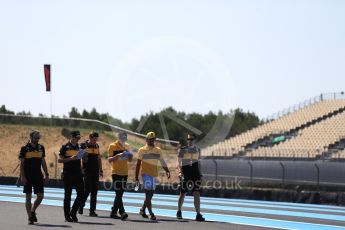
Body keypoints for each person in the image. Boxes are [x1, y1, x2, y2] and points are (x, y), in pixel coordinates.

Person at [135, 131, 170, 221]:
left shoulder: (158, 150)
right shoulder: (142, 150)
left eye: (153, 139)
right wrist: (136, 178)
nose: (152, 141)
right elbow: (138, 164)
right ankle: (151, 213)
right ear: (146, 140)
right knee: (148, 194)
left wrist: (167, 170)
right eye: (150, 139)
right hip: (145, 174)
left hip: (154, 174)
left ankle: (142, 210)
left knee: (150, 195)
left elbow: (162, 161)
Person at [19, 130, 49, 225]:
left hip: (38, 175)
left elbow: (43, 162)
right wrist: (22, 176)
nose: (37, 139)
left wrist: (47, 174)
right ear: (31, 137)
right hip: (28, 176)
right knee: (28, 196)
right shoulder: (24, 148)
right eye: (36, 138)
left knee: (40, 196)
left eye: (38, 138)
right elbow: (22, 164)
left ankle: (33, 210)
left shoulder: (41, 148)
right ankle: (30, 217)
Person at [176, 133, 205, 221]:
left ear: (194, 140)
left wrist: (200, 173)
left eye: (191, 139)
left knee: (196, 193)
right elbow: (179, 162)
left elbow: (198, 162)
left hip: (195, 173)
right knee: (183, 193)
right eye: (188, 139)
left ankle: (198, 214)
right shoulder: (183, 150)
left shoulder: (197, 150)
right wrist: (180, 172)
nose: (189, 141)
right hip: (186, 173)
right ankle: (179, 211)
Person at [58, 130, 84, 222]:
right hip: (68, 173)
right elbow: (60, 160)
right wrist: (70, 159)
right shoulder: (64, 147)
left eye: (79, 138)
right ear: (71, 137)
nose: (78, 139)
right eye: (76, 137)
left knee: (81, 194)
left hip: (78, 174)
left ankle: (73, 212)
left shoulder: (80, 147)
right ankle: (67, 216)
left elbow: (83, 159)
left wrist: (85, 155)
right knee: (67, 195)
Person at [108, 132, 133, 220]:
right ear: (118, 138)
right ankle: (122, 211)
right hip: (115, 172)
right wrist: (117, 155)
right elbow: (109, 160)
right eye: (121, 137)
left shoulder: (127, 146)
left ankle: (113, 212)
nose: (123, 139)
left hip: (124, 172)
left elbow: (130, 160)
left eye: (124, 138)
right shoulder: (112, 146)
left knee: (120, 193)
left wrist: (130, 156)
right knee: (118, 192)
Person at [78, 131, 103, 217]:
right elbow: (80, 157)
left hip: (95, 170)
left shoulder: (97, 146)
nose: (95, 141)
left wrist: (101, 170)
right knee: (87, 189)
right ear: (90, 138)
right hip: (87, 170)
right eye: (94, 139)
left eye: (96, 139)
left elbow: (99, 158)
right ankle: (81, 205)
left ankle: (92, 211)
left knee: (94, 192)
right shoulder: (83, 145)